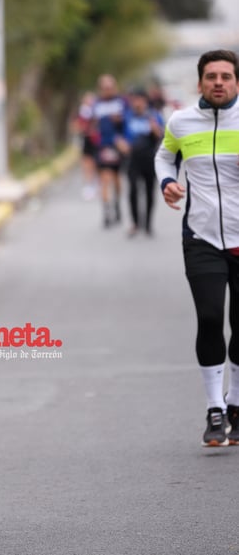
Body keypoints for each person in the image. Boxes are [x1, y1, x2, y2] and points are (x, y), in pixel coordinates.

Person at [155, 49, 239, 447]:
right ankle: (214, 409)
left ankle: (236, 403)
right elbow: (164, 156)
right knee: (209, 318)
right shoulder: (182, 121)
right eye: (211, 76)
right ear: (201, 81)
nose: (218, 82)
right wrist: (167, 182)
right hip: (201, 236)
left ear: (236, 81)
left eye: (225, 76)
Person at [122, 88, 164, 237]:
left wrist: (155, 129)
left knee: (149, 192)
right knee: (133, 190)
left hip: (149, 158)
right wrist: (121, 143)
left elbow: (162, 136)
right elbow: (119, 134)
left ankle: (148, 224)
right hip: (132, 159)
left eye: (140, 100)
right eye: (135, 100)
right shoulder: (127, 116)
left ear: (145, 101)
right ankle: (135, 223)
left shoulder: (154, 116)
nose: (137, 103)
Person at [92, 74, 128, 227]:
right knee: (105, 179)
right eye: (105, 87)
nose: (108, 90)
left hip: (118, 145)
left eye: (110, 87)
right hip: (103, 146)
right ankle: (106, 212)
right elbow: (91, 124)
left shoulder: (121, 102)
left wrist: (121, 124)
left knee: (116, 179)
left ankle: (117, 204)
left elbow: (129, 120)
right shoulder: (96, 104)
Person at [72, 91, 99, 200]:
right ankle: (88, 186)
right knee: (86, 163)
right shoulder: (80, 112)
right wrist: (82, 128)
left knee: (95, 163)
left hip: (96, 141)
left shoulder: (96, 111)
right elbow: (75, 126)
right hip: (85, 140)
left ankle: (95, 182)